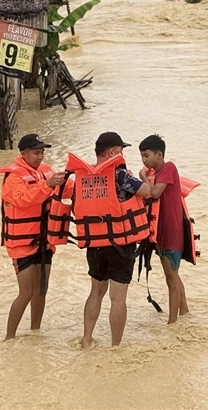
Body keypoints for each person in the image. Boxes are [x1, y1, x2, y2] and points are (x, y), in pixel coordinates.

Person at [67, 132, 154, 350]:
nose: (122, 155)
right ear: (112, 152)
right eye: (121, 150)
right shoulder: (119, 175)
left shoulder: (83, 177)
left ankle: (86, 339)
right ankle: (116, 347)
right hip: (121, 245)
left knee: (96, 291)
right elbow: (147, 192)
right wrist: (144, 177)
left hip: (94, 242)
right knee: (118, 298)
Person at [0, 133, 71, 341]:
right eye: (36, 153)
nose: (40, 157)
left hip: (44, 240)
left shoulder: (46, 171)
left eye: (42, 153)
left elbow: (65, 191)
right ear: (23, 154)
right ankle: (9, 338)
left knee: (41, 290)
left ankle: (35, 332)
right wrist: (47, 185)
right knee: (26, 292)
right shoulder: (13, 178)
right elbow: (23, 200)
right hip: (22, 244)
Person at [138, 135, 190, 325]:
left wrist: (143, 178)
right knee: (173, 274)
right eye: (142, 156)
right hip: (161, 231)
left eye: (146, 155)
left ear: (159, 155)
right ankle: (184, 312)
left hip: (171, 231)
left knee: (171, 277)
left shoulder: (169, 168)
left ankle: (172, 323)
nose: (144, 160)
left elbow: (154, 193)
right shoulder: (159, 173)